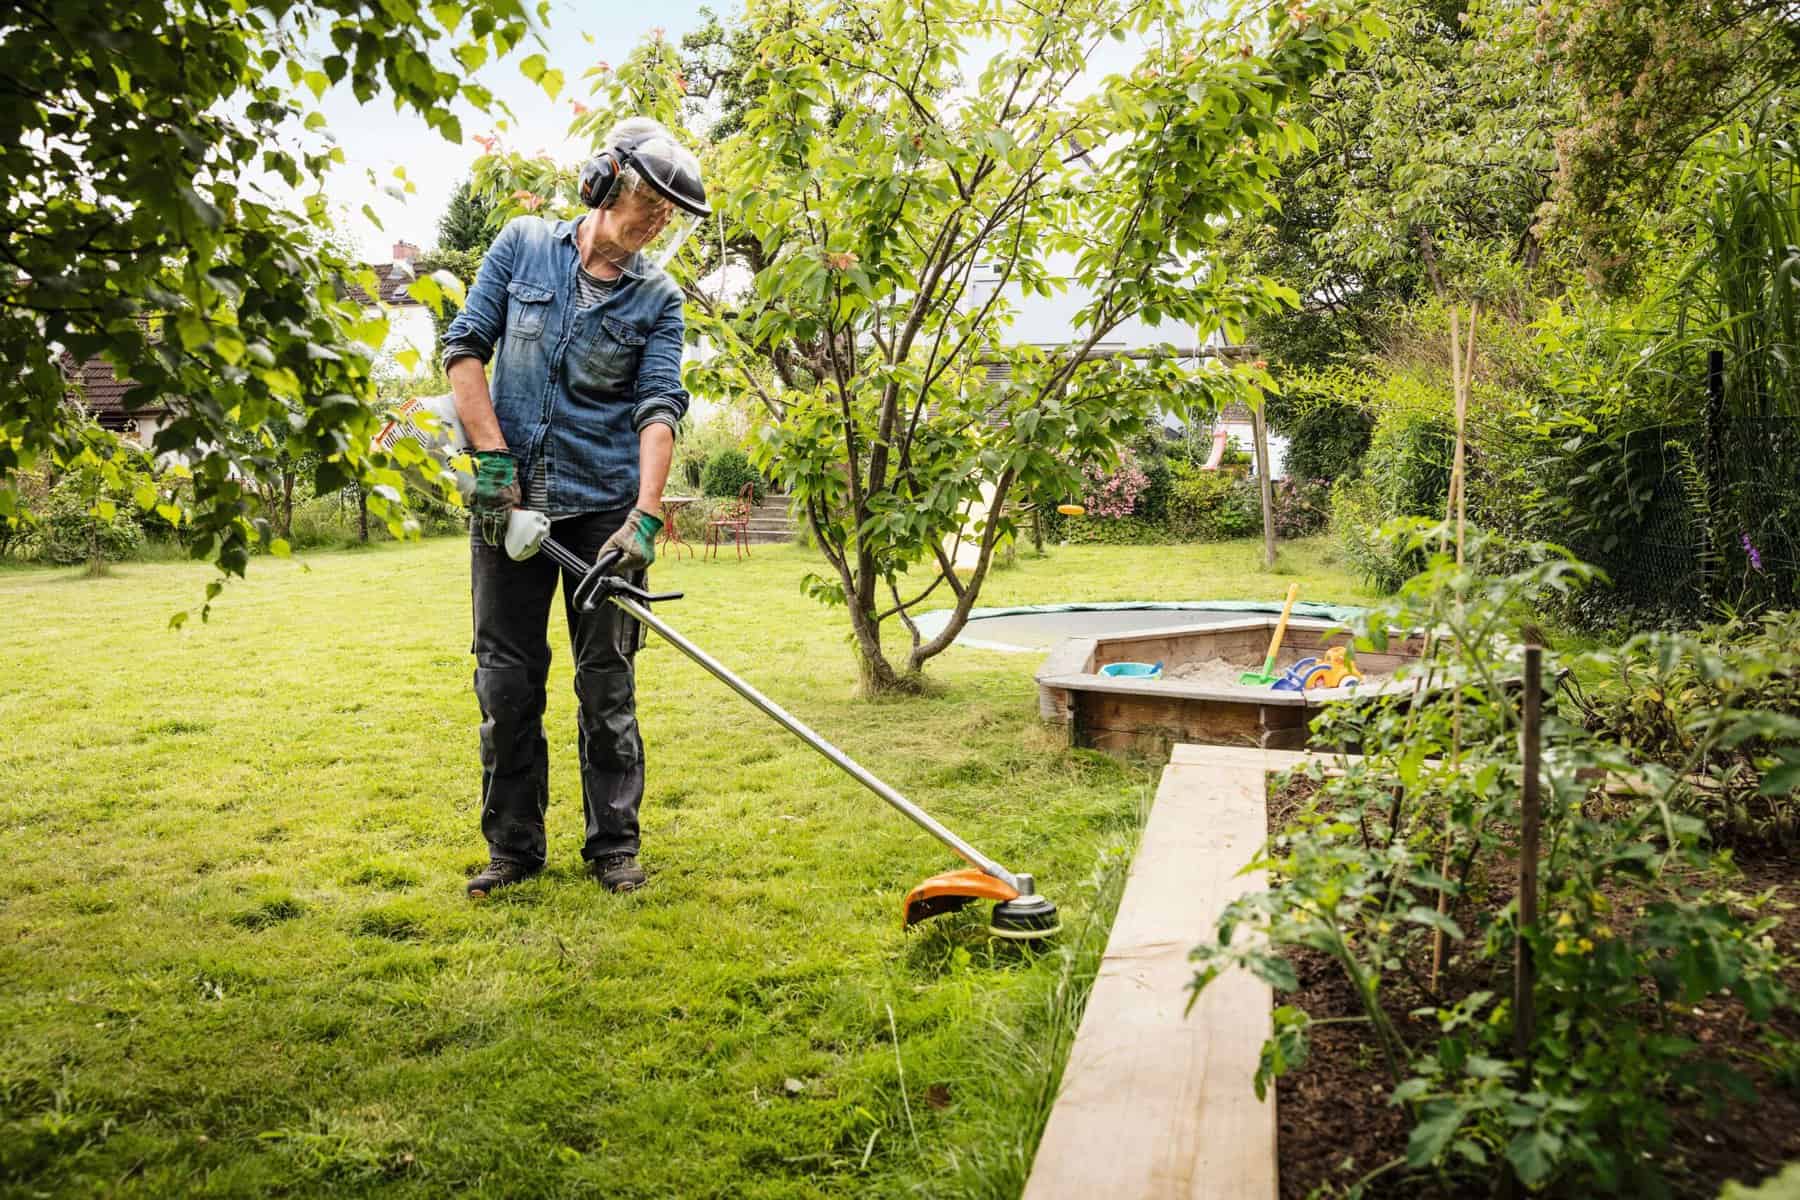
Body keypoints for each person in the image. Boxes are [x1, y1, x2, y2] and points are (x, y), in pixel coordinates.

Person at [439, 116, 709, 898]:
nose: (658, 222)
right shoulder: (522, 245)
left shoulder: (658, 298)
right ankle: (515, 851)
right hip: (507, 499)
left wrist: (647, 515)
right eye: (649, 203)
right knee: (507, 682)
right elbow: (463, 349)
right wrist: (493, 463)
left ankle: (614, 850)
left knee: (608, 681)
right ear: (603, 184)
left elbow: (659, 408)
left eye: (669, 214)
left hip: (602, 513)